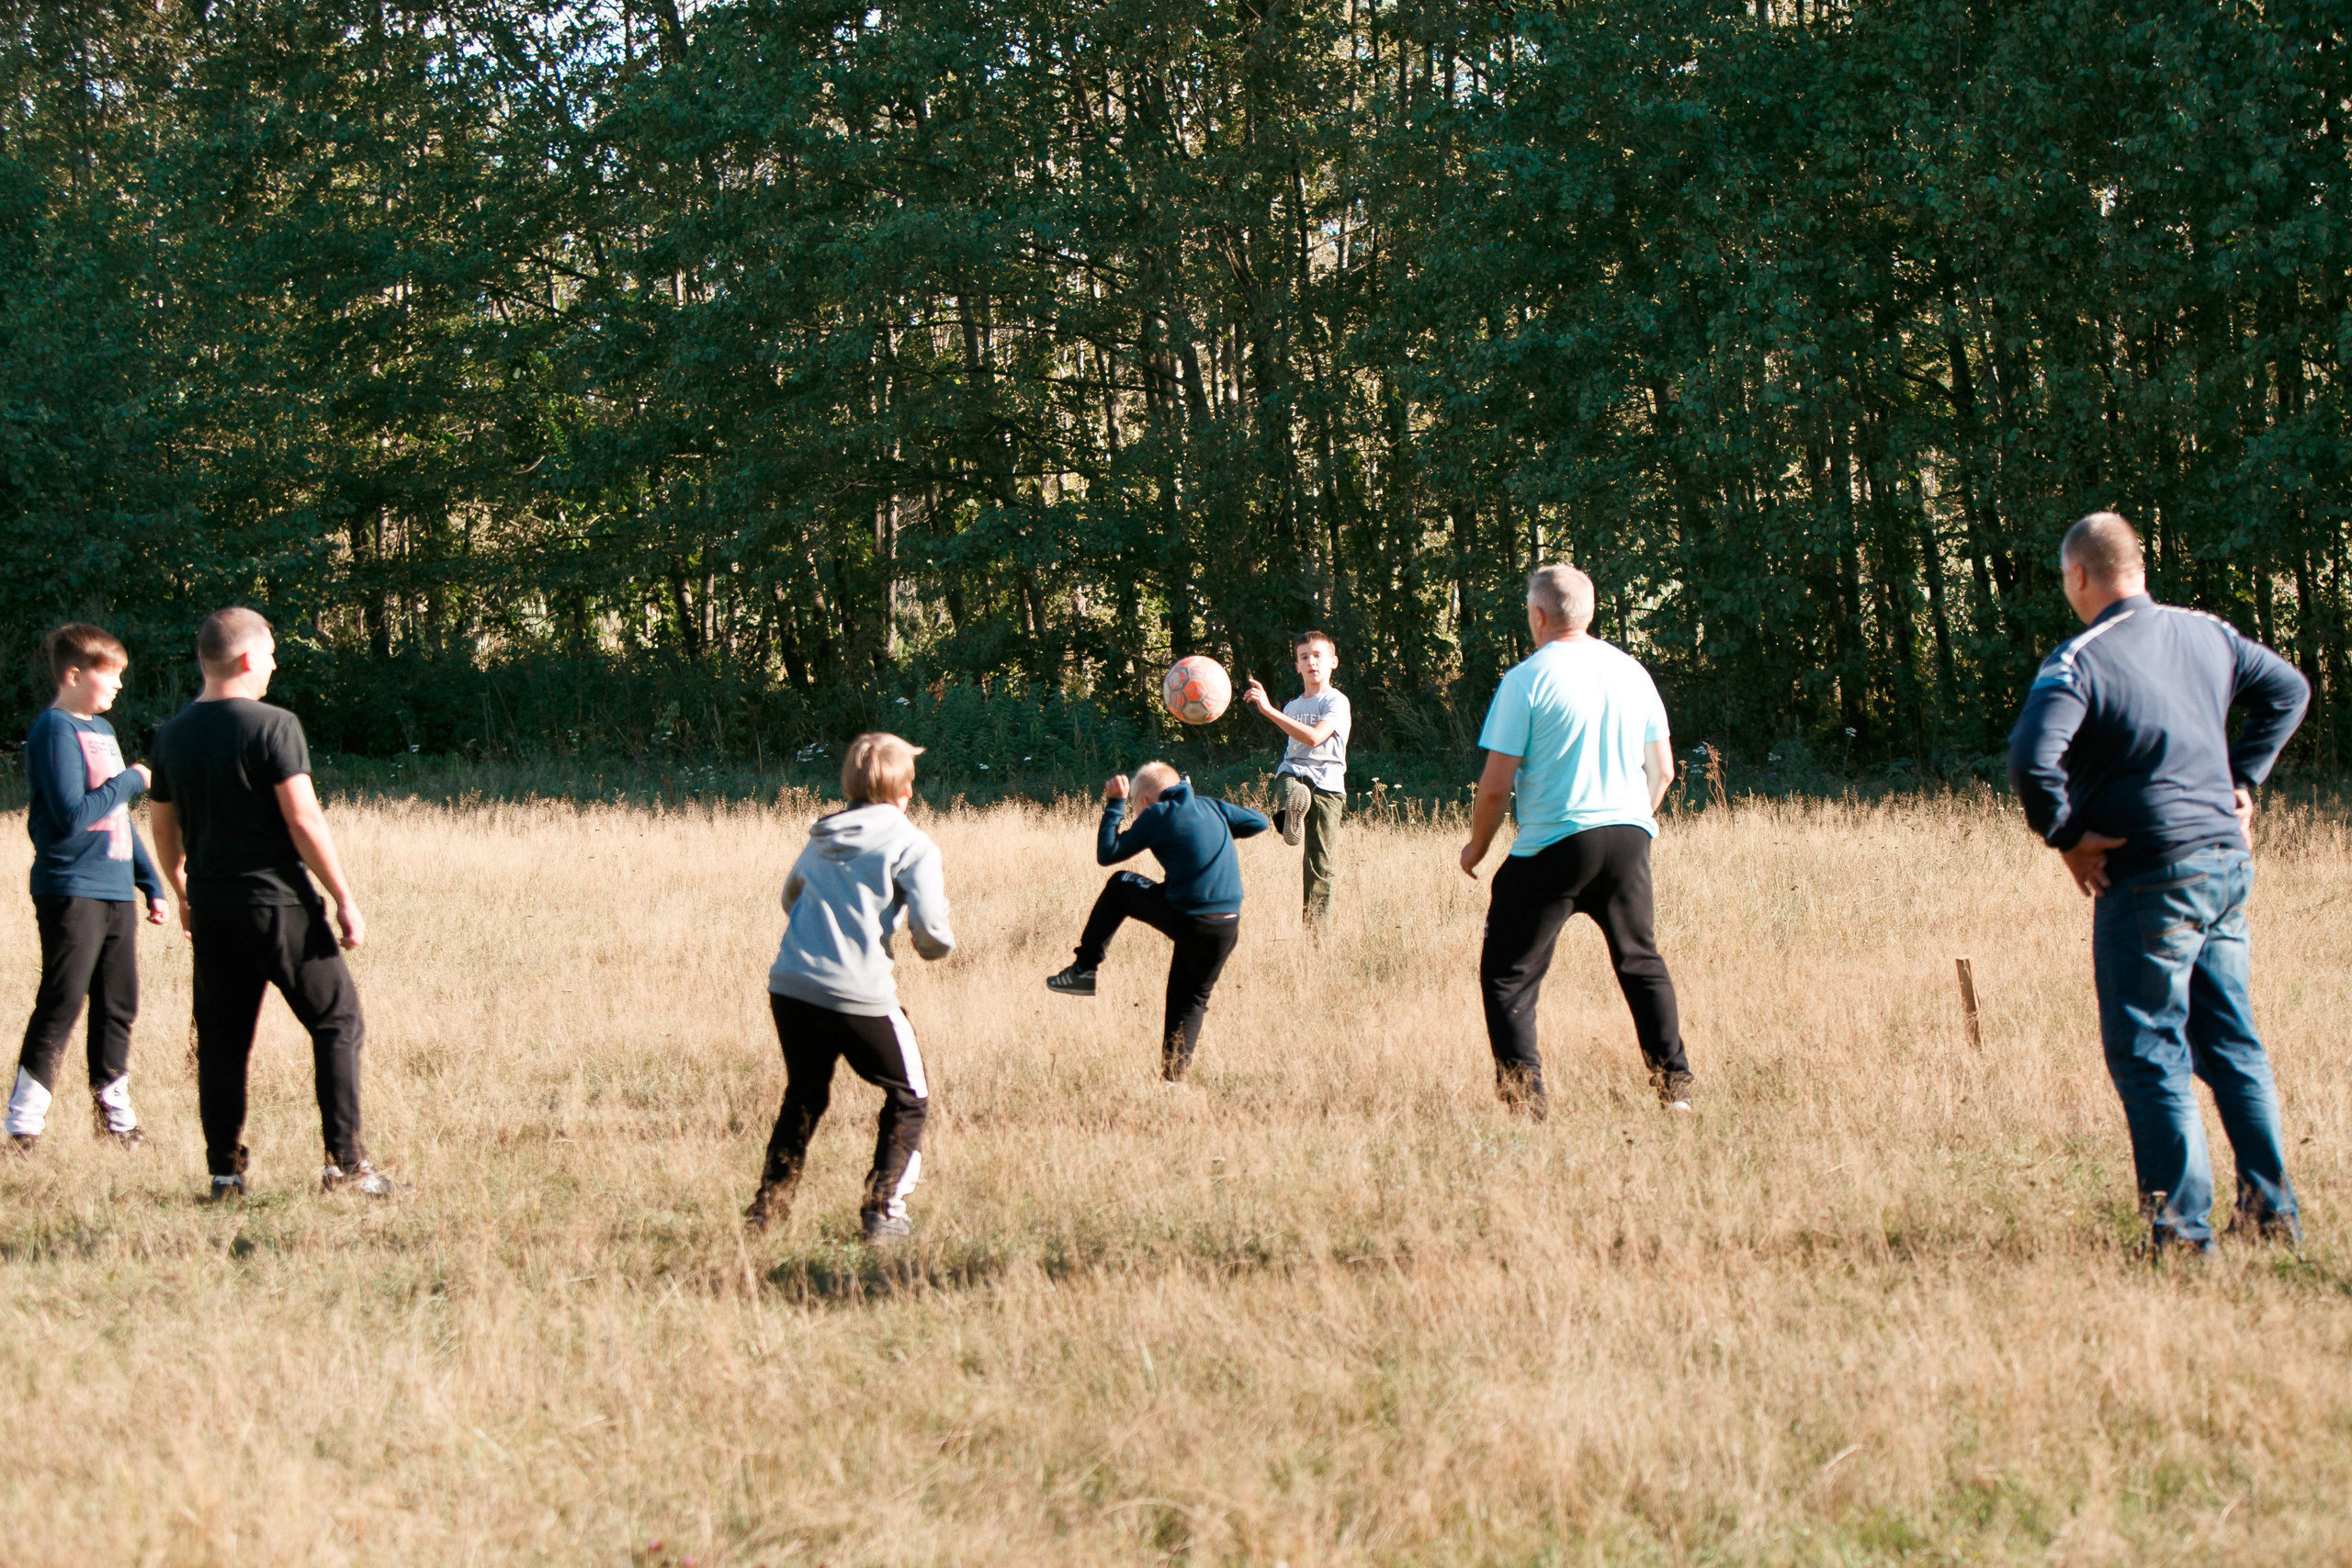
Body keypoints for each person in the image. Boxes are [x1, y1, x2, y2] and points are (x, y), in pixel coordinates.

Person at [2008, 512, 2308, 1255]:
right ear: (2136, 567)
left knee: (2149, 1051)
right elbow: (2290, 691)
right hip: (2225, 865)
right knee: (2233, 1042)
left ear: (2079, 575)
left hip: (2149, 878)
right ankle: (2271, 1215)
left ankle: (2180, 1235)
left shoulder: (2081, 658)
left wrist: (2068, 836)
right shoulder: (2210, 633)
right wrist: (2243, 781)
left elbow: (2030, 757)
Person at [147, 608, 388, 1201]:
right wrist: (343, 897)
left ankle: (225, 1176)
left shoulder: (171, 736)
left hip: (212, 905)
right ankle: (346, 1167)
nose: (275, 665)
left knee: (224, 1042)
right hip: (278, 902)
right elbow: (303, 817)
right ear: (249, 658)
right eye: (273, 654)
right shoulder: (273, 725)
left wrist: (182, 890)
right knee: (338, 1021)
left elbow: (162, 823)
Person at [1460, 564, 1692, 1118]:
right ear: (1590, 612)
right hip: (1629, 836)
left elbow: (1494, 789)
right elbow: (1662, 770)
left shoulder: (1527, 679)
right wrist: (1631, 819)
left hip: (1553, 847)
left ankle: (1527, 1105)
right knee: (1640, 962)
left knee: (1509, 977)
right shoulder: (1632, 672)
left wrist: (1477, 848)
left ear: (1538, 616)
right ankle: (1676, 1092)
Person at [747, 733, 955, 1245]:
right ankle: (885, 1211)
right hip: (860, 994)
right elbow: (932, 934)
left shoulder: (823, 833)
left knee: (805, 1094)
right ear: (907, 788)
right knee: (910, 1096)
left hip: (791, 986)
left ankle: (767, 1210)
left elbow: (790, 896)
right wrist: (930, 947)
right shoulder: (913, 843)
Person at [10, 625, 170, 1153]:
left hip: (115, 889)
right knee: (62, 1002)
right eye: (111, 675)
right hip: (70, 886)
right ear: (75, 674)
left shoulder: (102, 730)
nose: (120, 685)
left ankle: (118, 1124)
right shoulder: (54, 730)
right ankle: (21, 1130)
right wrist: (130, 779)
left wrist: (150, 882)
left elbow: (116, 818)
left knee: (118, 1004)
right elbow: (72, 816)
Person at [1046, 761, 1269, 1081]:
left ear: (1146, 801)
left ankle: (1084, 969)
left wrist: (1114, 805)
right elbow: (1259, 822)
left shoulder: (1156, 814)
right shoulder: (1211, 807)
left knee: (1120, 884)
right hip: (1227, 925)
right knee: (1190, 1001)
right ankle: (1172, 1084)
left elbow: (1107, 853)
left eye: (1136, 807)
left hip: (1189, 918)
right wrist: (1213, 827)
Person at [1242, 630, 1351, 924]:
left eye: (1318, 656)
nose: (1311, 661)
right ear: (1297, 666)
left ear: (1333, 663)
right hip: (1295, 771)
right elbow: (1295, 748)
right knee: (1288, 780)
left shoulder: (1335, 702)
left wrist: (1267, 710)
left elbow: (1315, 738)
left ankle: (1315, 934)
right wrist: (1276, 711)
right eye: (1304, 657)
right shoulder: (1292, 706)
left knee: (1319, 864)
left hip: (1327, 782)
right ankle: (1290, 816)